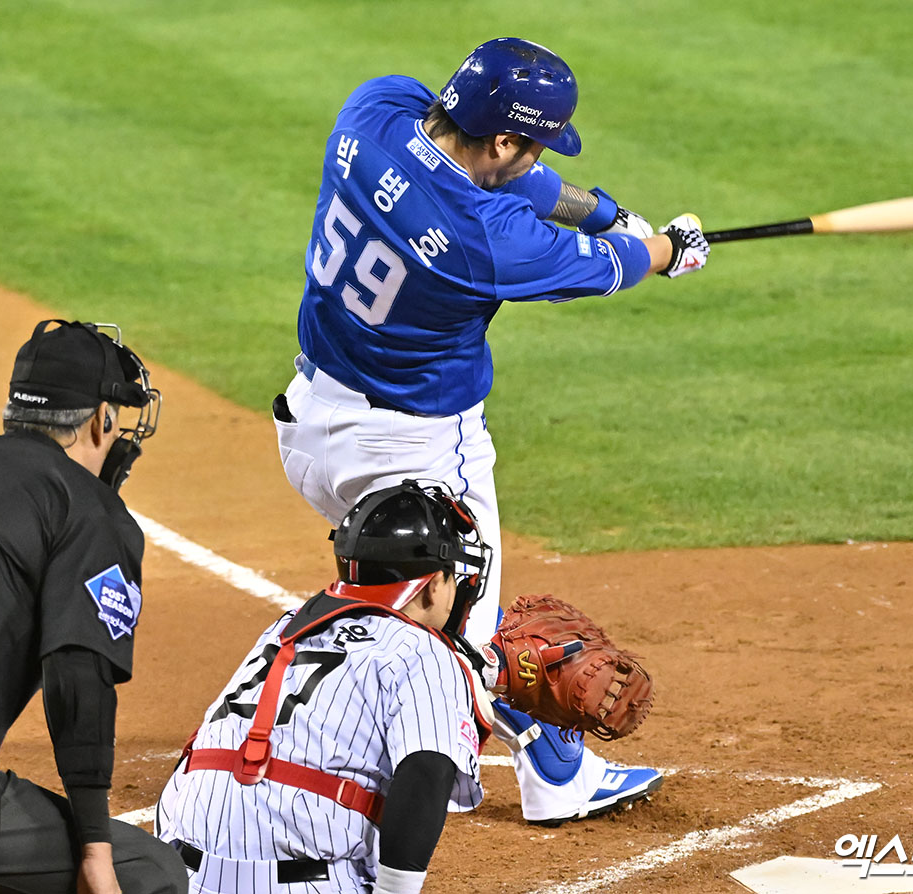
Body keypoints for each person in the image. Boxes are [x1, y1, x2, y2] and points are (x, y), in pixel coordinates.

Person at [272, 37, 701, 825]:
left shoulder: (372, 111)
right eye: (533, 139)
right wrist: (669, 246)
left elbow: (519, 181)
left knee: (410, 604)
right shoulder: (486, 240)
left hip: (310, 431)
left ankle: (520, 749)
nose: (538, 155)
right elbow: (610, 266)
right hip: (418, 455)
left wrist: (609, 209)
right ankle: (548, 776)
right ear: (506, 138)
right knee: (469, 641)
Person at [0, 320, 186, 893]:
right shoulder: (89, 509)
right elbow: (77, 678)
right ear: (100, 420)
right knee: (152, 875)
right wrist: (94, 850)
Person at [156, 480, 494, 894]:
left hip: (182, 873)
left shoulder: (287, 627)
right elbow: (426, 772)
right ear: (432, 585)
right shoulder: (422, 650)